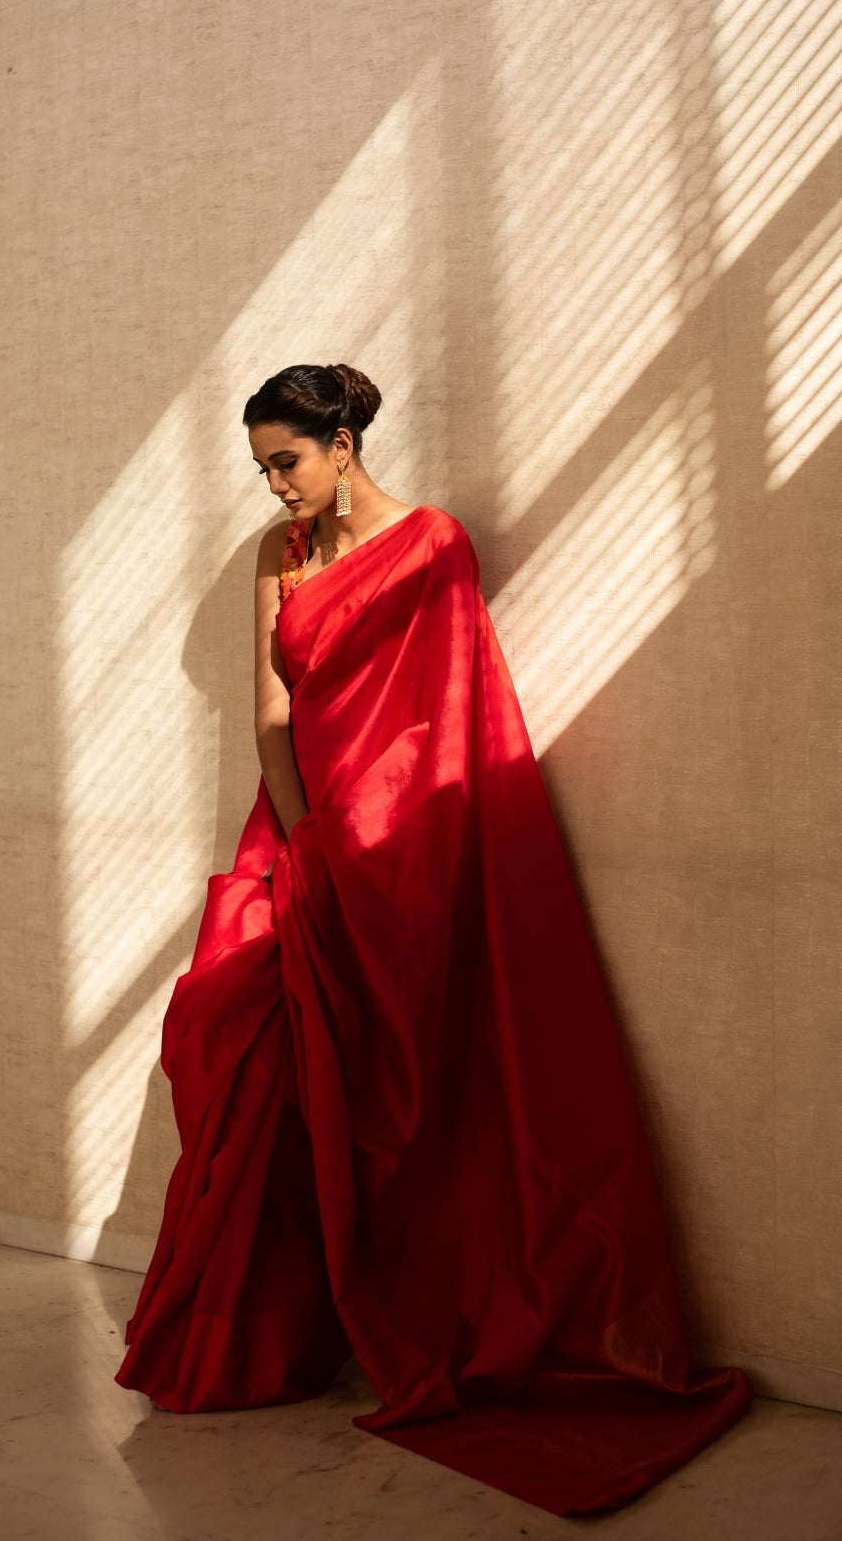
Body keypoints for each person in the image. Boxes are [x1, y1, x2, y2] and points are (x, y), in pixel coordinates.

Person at [114, 362, 753, 1517]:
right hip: (304, 837)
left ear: (343, 441)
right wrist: (303, 850)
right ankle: (265, 1338)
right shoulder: (279, 558)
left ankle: (442, 1310)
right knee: (245, 1051)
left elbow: (449, 717)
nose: (276, 488)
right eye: (261, 470)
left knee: (431, 1080)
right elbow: (273, 717)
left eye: (288, 462)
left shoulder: (431, 545)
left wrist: (376, 855)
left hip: (411, 843)